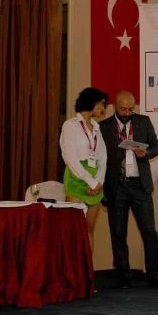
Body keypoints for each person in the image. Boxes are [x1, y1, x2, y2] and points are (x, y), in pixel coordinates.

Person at [99, 90, 158, 288]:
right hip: (116, 185)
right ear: (115, 106)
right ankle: (123, 274)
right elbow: (100, 159)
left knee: (149, 230)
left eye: (131, 109)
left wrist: (145, 153)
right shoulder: (103, 127)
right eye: (124, 109)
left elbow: (156, 147)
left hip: (140, 185)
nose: (127, 113)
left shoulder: (143, 121)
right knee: (118, 231)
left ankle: (155, 273)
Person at [60, 87, 108, 254]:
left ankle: (87, 268)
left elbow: (103, 159)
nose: (103, 108)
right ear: (90, 102)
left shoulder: (96, 128)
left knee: (89, 229)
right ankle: (73, 268)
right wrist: (91, 182)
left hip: (95, 183)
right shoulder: (70, 125)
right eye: (101, 104)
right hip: (76, 179)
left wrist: (98, 182)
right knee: (75, 230)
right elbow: (71, 159)